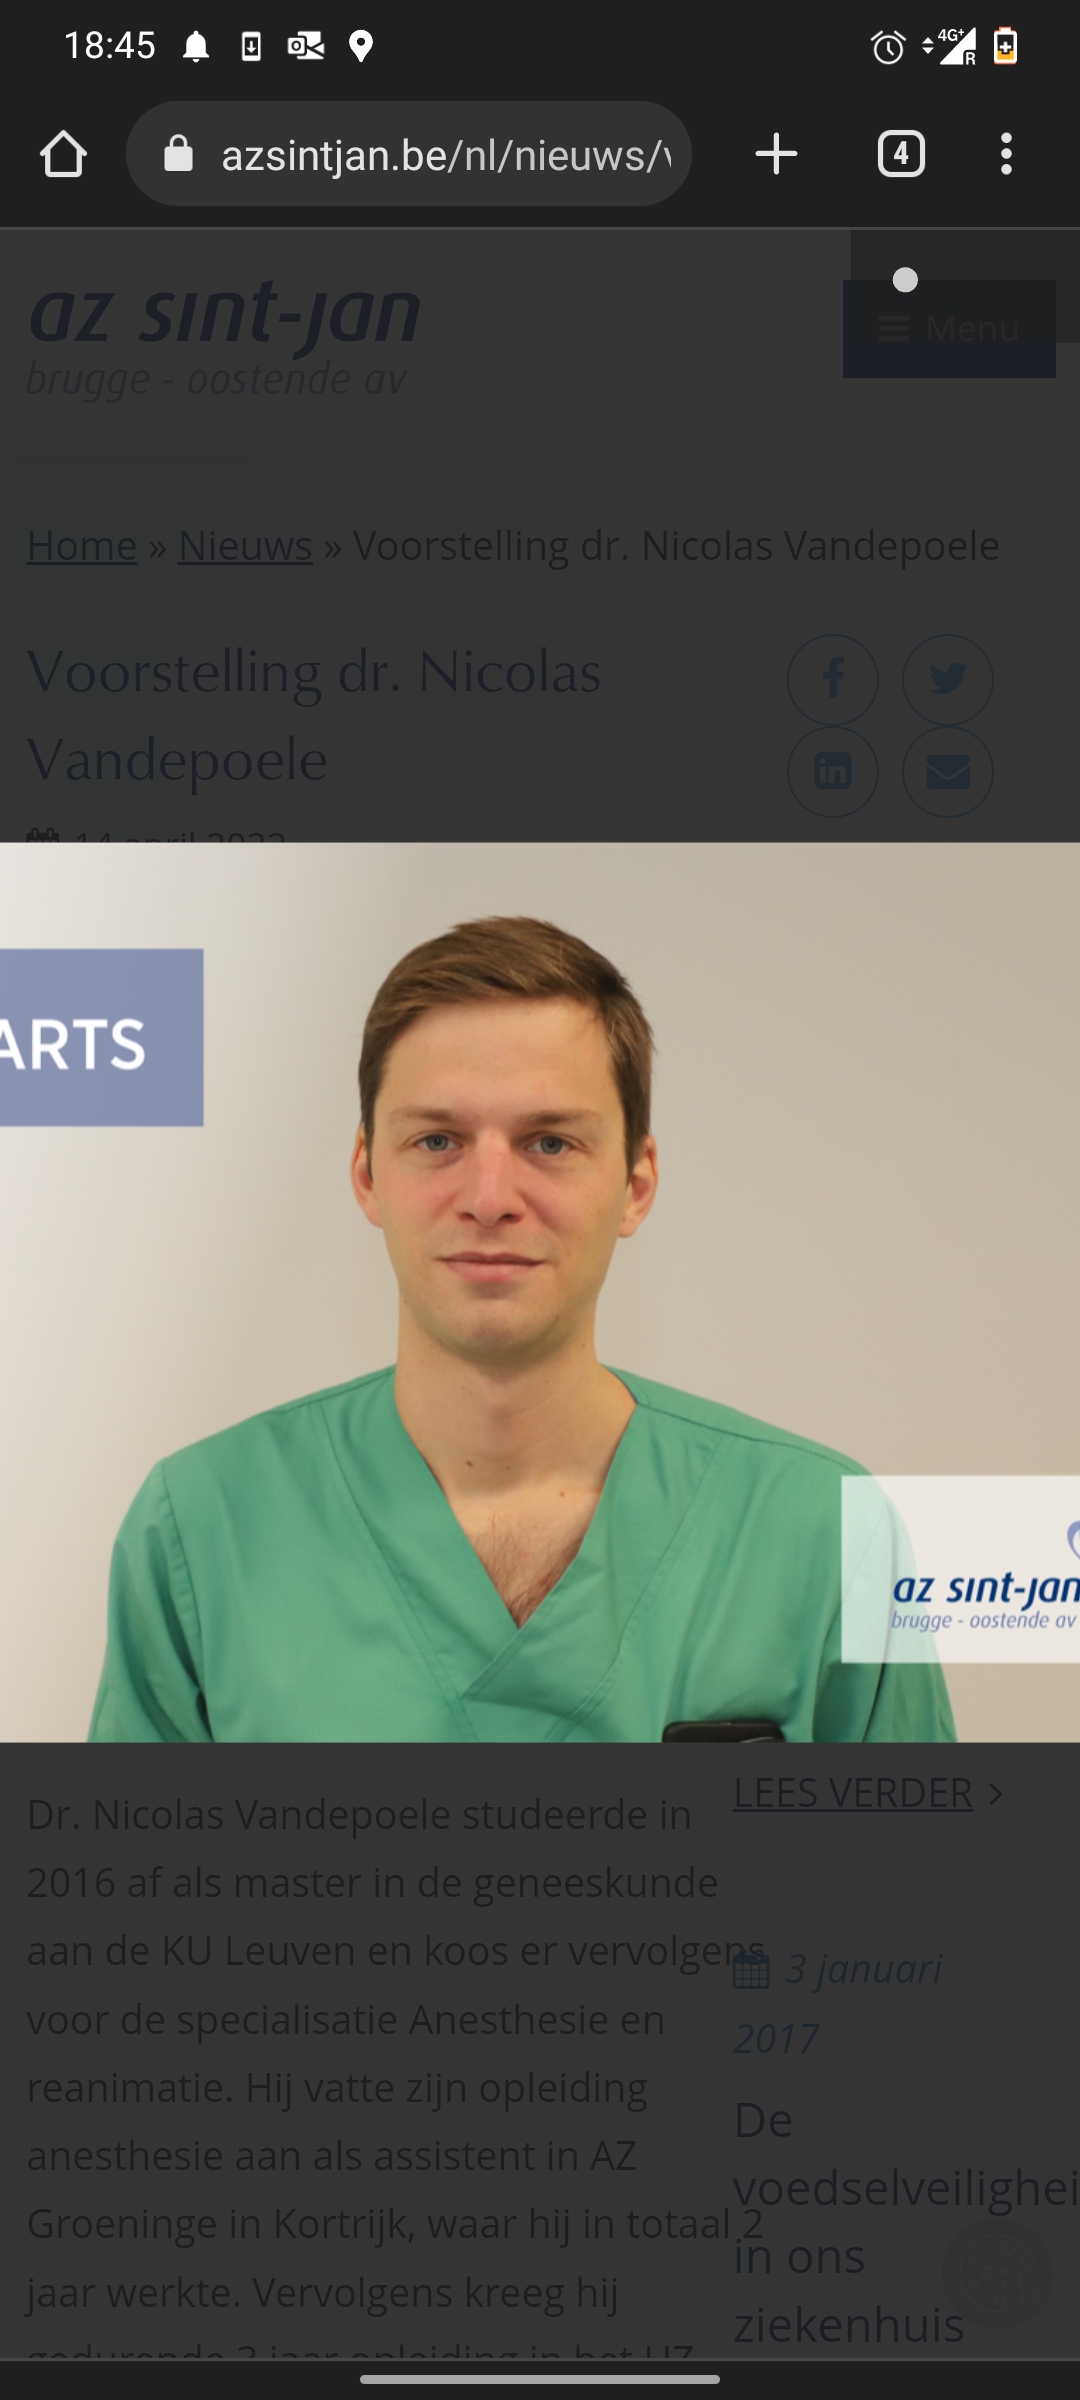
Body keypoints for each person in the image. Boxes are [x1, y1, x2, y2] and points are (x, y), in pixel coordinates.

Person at [89, 916, 955, 1743]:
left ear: (636, 1183)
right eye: (438, 1141)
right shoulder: (203, 1531)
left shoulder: (820, 1533)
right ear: (367, 1174)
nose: (490, 1197)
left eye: (549, 1143)